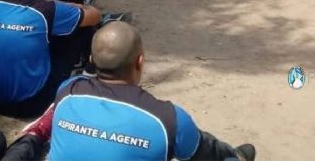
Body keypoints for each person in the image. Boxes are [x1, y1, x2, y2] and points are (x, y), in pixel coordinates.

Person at [49, 21, 256, 161]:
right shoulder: (167, 118)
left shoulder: (68, 90)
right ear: (140, 62)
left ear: (92, 60)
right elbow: (204, 154)